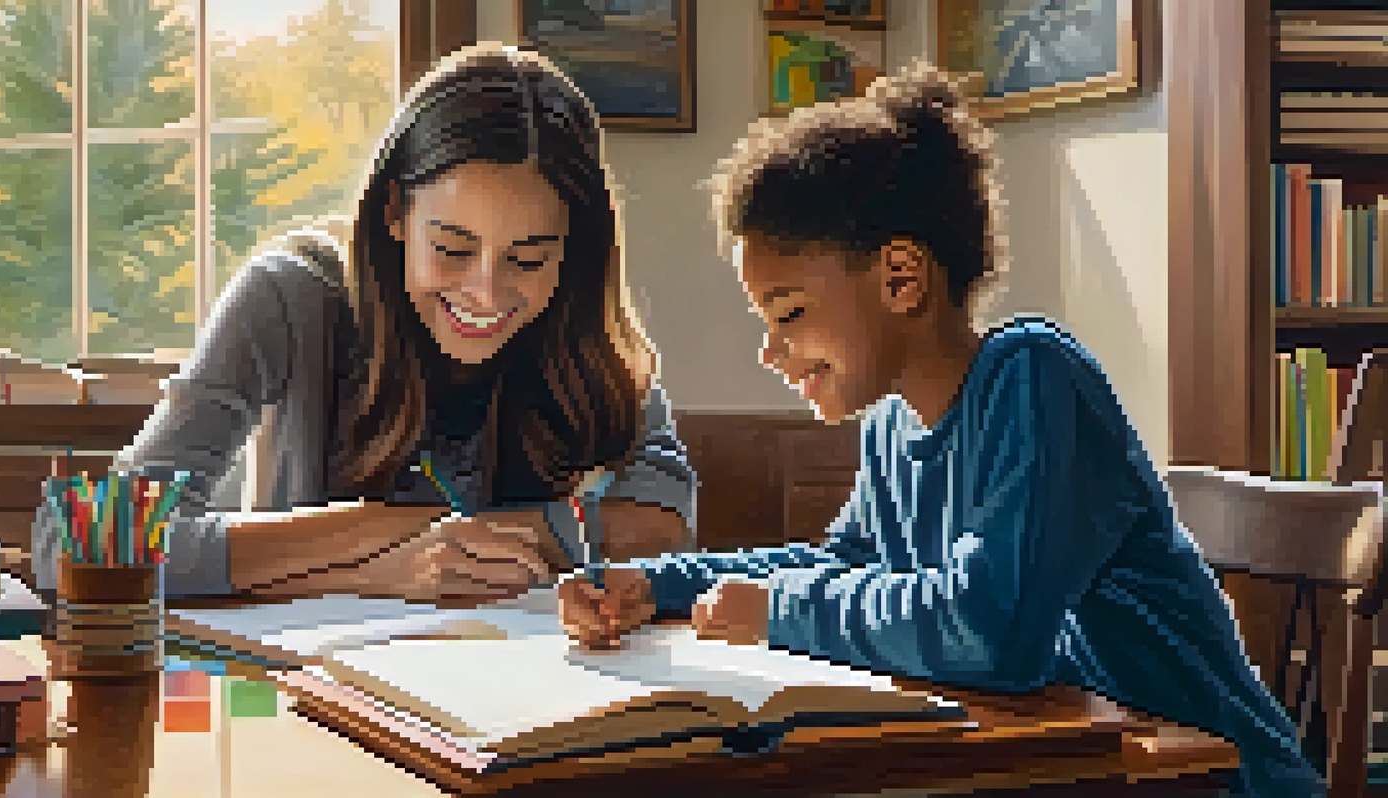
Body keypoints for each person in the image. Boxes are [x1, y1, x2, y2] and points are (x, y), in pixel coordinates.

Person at [556, 61, 1321, 797]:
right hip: (1080, 767)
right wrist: (656, 584)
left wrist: (779, 611)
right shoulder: (892, 425)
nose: (770, 350)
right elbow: (843, 566)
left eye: (788, 313)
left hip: (1213, 780)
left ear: (900, 277)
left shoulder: (1033, 377)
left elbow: (991, 634)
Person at [32, 43, 696, 606]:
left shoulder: (582, 326)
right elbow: (77, 544)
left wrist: (438, 547)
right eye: (452, 249)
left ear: (571, 250)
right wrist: (380, 552)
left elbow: (657, 527)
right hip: (292, 707)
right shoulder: (292, 296)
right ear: (395, 213)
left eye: (527, 258)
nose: (486, 292)